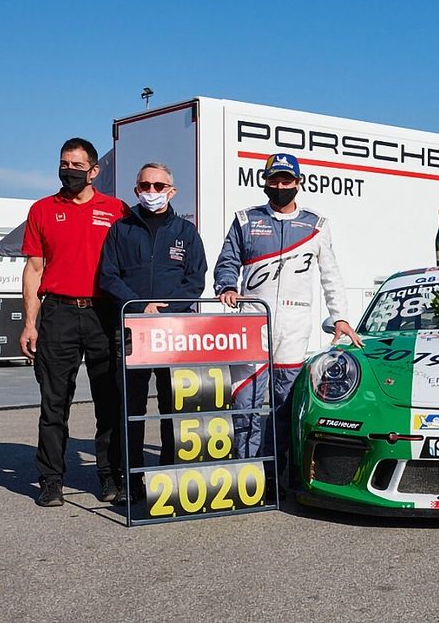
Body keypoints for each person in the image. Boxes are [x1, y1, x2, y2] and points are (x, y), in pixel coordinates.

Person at [213, 153, 361, 488]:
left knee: (286, 406)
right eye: (274, 180)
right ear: (264, 181)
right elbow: (227, 261)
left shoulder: (316, 224)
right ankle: (244, 474)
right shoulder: (245, 220)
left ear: (298, 182)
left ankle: (276, 476)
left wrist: (340, 318)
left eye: (286, 180)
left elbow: (331, 275)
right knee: (246, 402)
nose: (280, 186)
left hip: (295, 327)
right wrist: (225, 286)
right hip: (252, 324)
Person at [19, 138, 129, 507]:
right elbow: (34, 270)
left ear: (94, 170)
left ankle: (109, 477)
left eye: (77, 165)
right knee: (53, 404)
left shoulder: (116, 210)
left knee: (109, 402)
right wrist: (29, 323)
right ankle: (51, 480)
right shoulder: (42, 209)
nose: (69, 170)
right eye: (64, 164)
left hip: (104, 314)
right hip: (58, 314)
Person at [99, 162, 207, 504]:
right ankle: (131, 479)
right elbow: (108, 276)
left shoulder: (186, 232)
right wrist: (137, 305)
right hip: (132, 331)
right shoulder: (120, 229)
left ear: (171, 191)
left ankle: (170, 475)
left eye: (159, 186)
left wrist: (168, 309)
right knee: (129, 409)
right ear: (136, 190)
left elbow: (196, 279)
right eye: (146, 185)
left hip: (173, 333)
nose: (152, 191)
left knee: (172, 407)